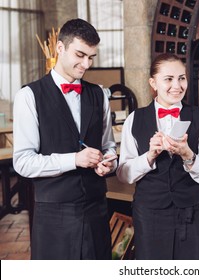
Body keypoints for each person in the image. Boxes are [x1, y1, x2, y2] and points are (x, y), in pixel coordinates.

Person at [13, 18, 117, 260]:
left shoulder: (99, 95)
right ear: (60, 48)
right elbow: (23, 162)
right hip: (54, 214)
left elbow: (108, 145)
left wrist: (110, 161)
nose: (86, 64)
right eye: (80, 55)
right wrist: (75, 160)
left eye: (91, 57)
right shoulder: (28, 96)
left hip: (96, 209)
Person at [116, 53, 199, 260]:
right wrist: (149, 156)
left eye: (182, 78)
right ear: (153, 82)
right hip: (150, 214)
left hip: (192, 212)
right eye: (169, 79)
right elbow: (123, 174)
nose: (177, 86)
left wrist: (189, 156)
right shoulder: (134, 119)